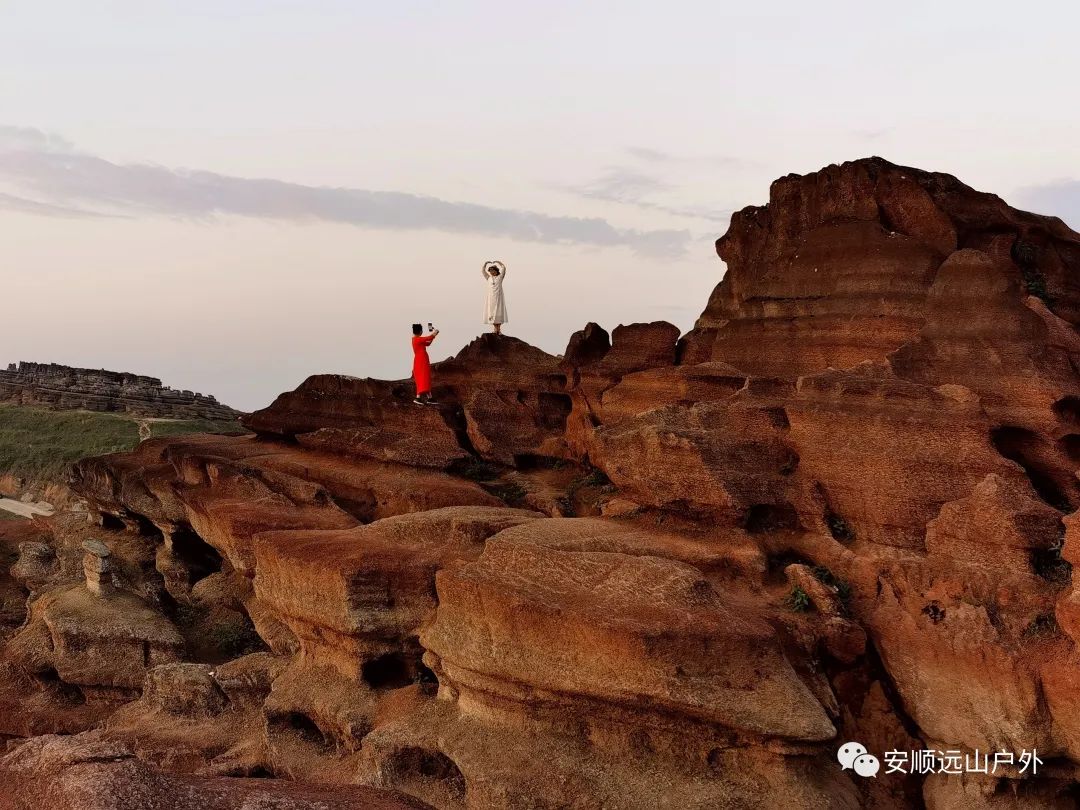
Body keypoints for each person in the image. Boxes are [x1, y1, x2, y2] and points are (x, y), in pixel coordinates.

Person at [411, 323, 439, 404]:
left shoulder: (416, 339)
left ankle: (429, 398)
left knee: (424, 378)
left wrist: (434, 335)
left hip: (421, 360)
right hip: (421, 361)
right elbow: (429, 337)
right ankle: (418, 398)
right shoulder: (417, 339)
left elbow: (428, 343)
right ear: (420, 331)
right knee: (424, 378)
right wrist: (435, 333)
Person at [482, 260, 508, 335]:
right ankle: (495, 329)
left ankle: (498, 329)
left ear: (496, 271)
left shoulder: (500, 277)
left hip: (499, 298)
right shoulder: (489, 278)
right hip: (491, 298)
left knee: (498, 313)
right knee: (492, 313)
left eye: (493, 270)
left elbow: (504, 269)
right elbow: (483, 272)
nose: (491, 272)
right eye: (490, 271)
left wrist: (499, 262)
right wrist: (485, 264)